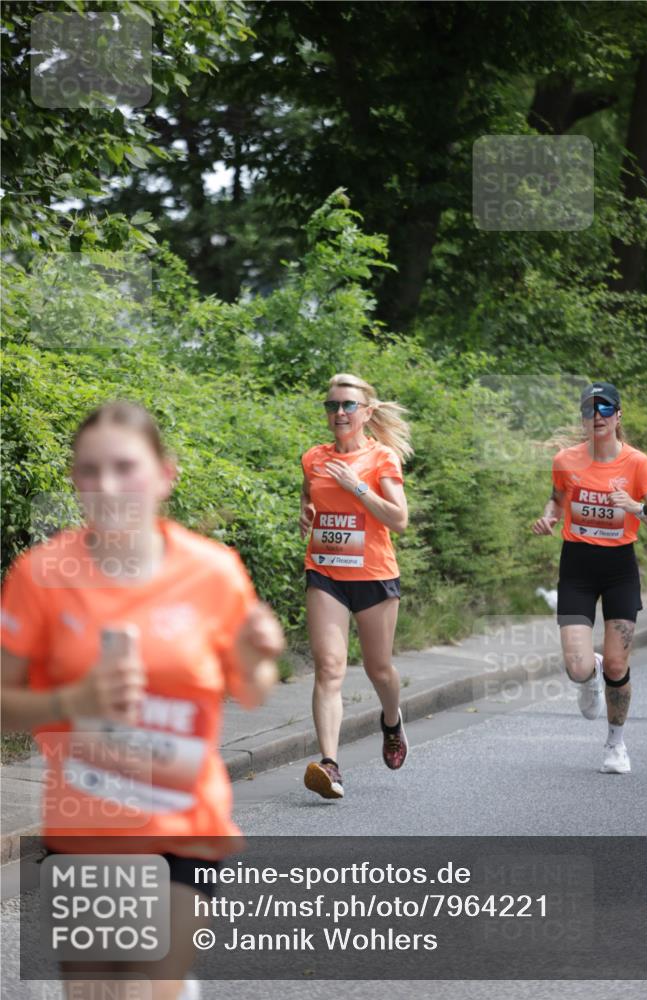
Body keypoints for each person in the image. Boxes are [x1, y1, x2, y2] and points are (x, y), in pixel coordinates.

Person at [0, 400, 284, 1000]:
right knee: (94, 995)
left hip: (183, 825)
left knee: (143, 986)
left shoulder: (213, 571)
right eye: (90, 470)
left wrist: (262, 655)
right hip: (86, 829)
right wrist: (74, 700)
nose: (107, 486)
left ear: (164, 475)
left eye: (125, 467)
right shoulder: (40, 575)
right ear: (75, 479)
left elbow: (252, 691)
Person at [531, 381, 647, 774]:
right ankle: (587, 675)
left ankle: (615, 744)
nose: (598, 417)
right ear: (583, 418)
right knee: (578, 667)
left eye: (605, 409)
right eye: (590, 411)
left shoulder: (637, 463)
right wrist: (549, 519)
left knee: (616, 666)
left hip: (619, 569)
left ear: (618, 416)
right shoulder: (566, 460)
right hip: (577, 566)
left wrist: (635, 507)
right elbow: (557, 500)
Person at [299, 373, 413, 799]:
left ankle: (390, 720)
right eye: (332, 406)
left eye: (348, 405)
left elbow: (398, 520)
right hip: (326, 572)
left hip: (373, 575)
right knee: (329, 667)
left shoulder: (381, 458)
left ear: (366, 412)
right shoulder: (313, 457)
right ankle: (330, 764)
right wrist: (307, 512)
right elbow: (309, 495)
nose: (339, 413)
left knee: (377, 669)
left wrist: (358, 487)